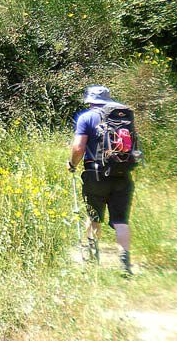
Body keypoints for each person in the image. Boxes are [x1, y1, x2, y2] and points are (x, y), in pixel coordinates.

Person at [68, 85, 135, 275]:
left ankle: (92, 258)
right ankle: (125, 264)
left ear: (90, 101)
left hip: (95, 174)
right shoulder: (123, 118)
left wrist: (72, 164)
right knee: (121, 221)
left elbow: (78, 147)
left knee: (94, 216)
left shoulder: (86, 117)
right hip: (122, 174)